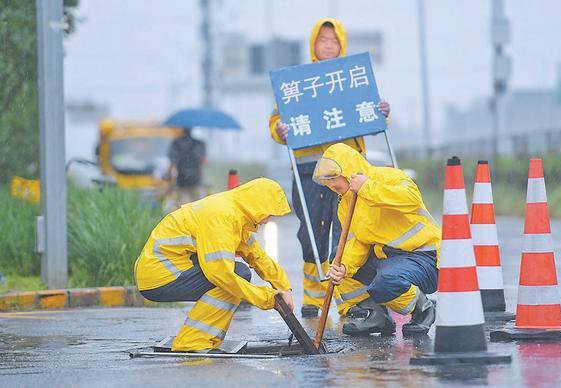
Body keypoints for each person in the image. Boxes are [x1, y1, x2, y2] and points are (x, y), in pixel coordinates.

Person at [268, 18, 391, 318]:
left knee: (348, 231)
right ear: (313, 44)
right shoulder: (295, 84)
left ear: (342, 45)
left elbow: (372, 117)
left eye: (333, 40)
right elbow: (275, 121)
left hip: (348, 168)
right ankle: (313, 297)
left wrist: (383, 113)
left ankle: (350, 301)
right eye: (322, 40)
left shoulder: (353, 79)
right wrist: (280, 131)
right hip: (309, 167)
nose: (327, 45)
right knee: (311, 230)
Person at [134, 178, 294, 352]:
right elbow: (220, 274)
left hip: (164, 272)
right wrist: (269, 298)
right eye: (268, 215)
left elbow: (257, 256)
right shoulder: (222, 217)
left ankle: (198, 337)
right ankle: (193, 341)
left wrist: (284, 288)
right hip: (160, 277)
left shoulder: (234, 214)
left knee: (237, 273)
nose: (266, 221)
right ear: (258, 205)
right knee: (236, 275)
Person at [313, 143, 441, 336]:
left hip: (422, 256)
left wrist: (367, 187)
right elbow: (359, 242)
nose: (331, 185)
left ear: (348, 170)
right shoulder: (346, 204)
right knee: (338, 262)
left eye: (333, 177)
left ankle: (423, 310)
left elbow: (411, 199)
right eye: (326, 180)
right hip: (389, 259)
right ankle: (377, 317)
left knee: (386, 283)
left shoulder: (389, 177)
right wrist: (345, 267)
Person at [168, 127, 207, 206]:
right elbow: (204, 161)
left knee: (182, 206)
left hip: (182, 180)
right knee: (200, 206)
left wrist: (169, 178)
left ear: (182, 131)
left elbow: (173, 163)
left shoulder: (176, 143)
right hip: (196, 179)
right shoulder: (199, 143)